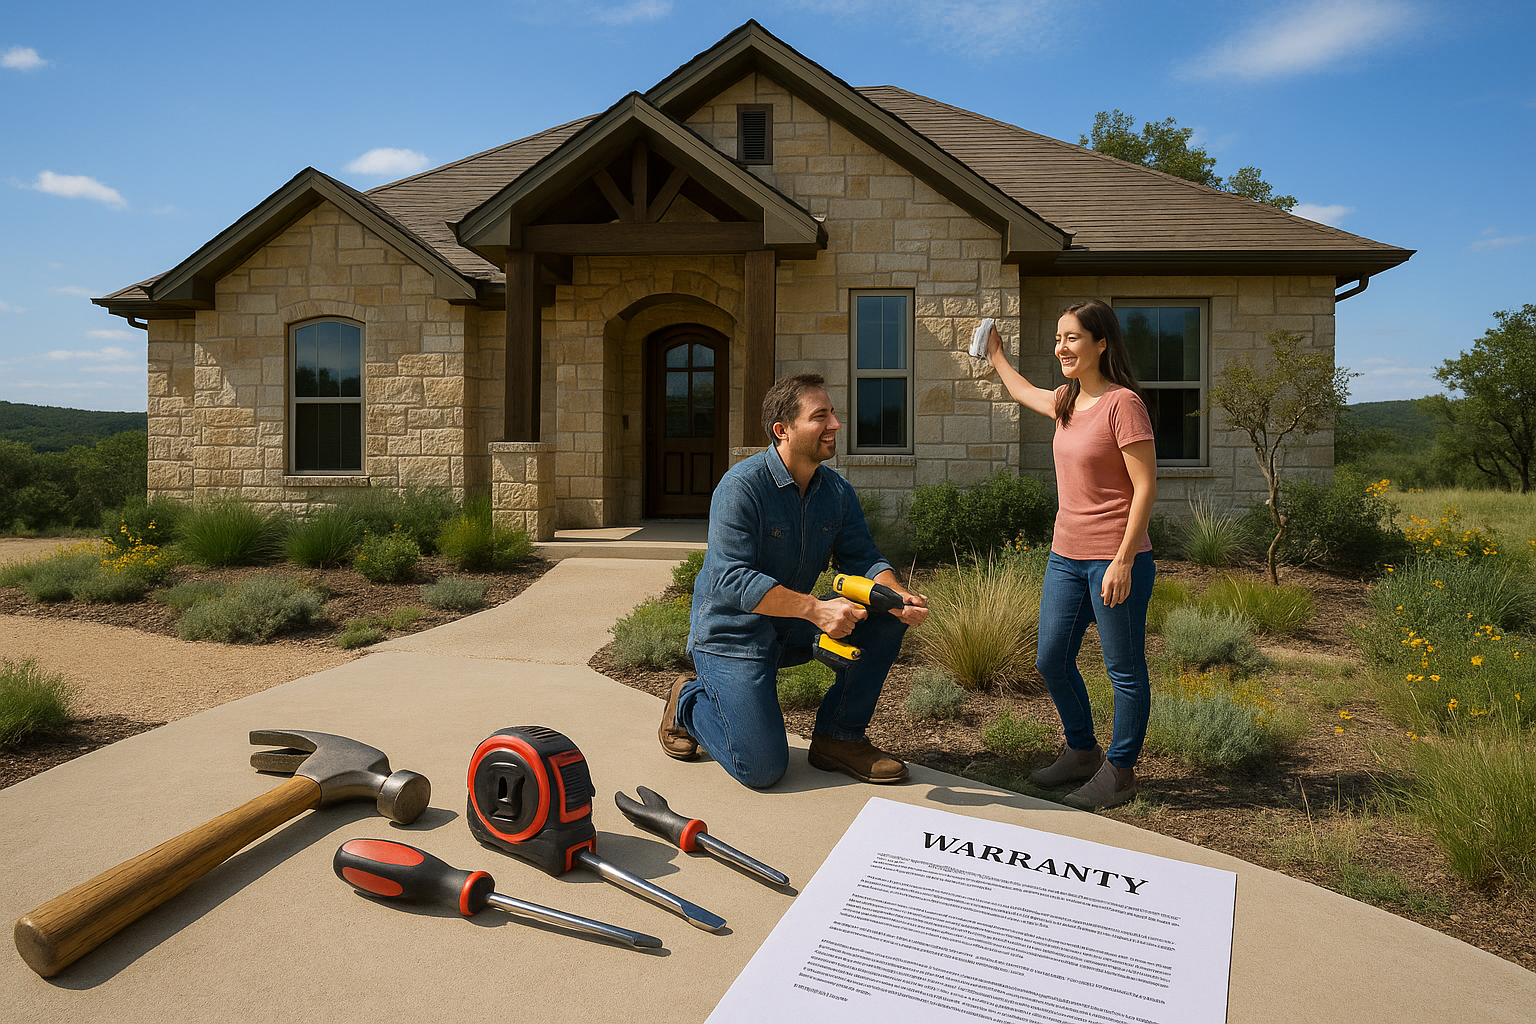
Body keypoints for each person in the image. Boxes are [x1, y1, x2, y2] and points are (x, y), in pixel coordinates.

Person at [659, 373, 929, 788]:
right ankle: (688, 702)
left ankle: (839, 738)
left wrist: (895, 592)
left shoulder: (835, 491)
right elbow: (732, 579)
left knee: (884, 612)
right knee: (762, 768)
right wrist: (816, 610)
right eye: (820, 416)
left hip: (791, 625)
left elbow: (863, 557)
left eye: (833, 414)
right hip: (732, 636)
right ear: (782, 431)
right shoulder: (741, 488)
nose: (836, 425)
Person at [985, 300, 1157, 810]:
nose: (1061, 347)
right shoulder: (1066, 400)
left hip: (1114, 558)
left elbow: (1145, 487)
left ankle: (1120, 771)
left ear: (1101, 344)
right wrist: (995, 354)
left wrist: (1125, 559)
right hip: (1065, 555)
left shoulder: (1122, 404)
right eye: (1058, 338)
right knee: (1051, 658)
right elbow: (1021, 390)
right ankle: (1083, 751)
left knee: (1123, 669)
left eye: (1073, 337)